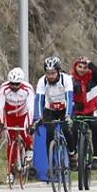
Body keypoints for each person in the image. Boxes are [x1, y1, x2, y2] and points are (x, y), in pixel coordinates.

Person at [32, 55, 73, 185]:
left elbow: (69, 98)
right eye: (48, 73)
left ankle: (72, 154)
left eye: (53, 73)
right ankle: (52, 165)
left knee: (66, 129)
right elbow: (39, 100)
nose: (50, 76)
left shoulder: (66, 79)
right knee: (49, 133)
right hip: (50, 109)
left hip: (64, 108)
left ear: (58, 71)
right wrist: (39, 118)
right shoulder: (42, 82)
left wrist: (68, 116)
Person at [69, 56, 97, 191]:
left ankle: (95, 156)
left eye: (85, 67)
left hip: (93, 109)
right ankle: (74, 155)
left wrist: (90, 64)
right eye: (80, 67)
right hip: (78, 111)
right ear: (75, 67)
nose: (82, 70)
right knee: (73, 129)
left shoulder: (93, 77)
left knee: (95, 127)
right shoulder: (70, 79)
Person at [0, 66, 34, 177]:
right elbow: (0, 105)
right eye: (12, 84)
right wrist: (1, 123)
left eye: (17, 84)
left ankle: (29, 147)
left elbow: (31, 107)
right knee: (10, 141)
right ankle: (10, 171)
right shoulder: (4, 88)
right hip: (10, 116)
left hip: (23, 115)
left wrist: (30, 124)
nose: (14, 86)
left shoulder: (28, 89)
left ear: (21, 82)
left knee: (25, 133)